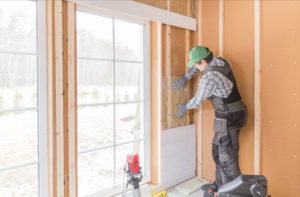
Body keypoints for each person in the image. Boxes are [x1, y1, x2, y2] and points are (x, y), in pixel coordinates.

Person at [173, 46, 247, 192]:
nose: (194, 67)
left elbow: (198, 100)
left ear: (203, 62)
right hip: (227, 115)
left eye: (196, 64)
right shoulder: (220, 61)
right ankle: (219, 185)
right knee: (217, 151)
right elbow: (199, 67)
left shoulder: (209, 77)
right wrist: (186, 77)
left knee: (227, 158)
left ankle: (232, 192)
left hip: (230, 117)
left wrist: (185, 108)